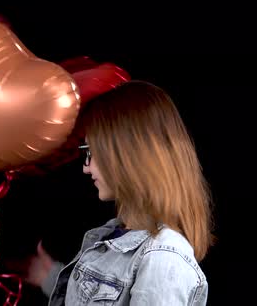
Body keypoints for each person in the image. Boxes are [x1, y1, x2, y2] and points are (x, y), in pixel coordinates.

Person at [18, 80, 214, 305]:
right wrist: (50, 277)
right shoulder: (117, 234)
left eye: (91, 152)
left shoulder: (162, 258)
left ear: (127, 154)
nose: (85, 167)